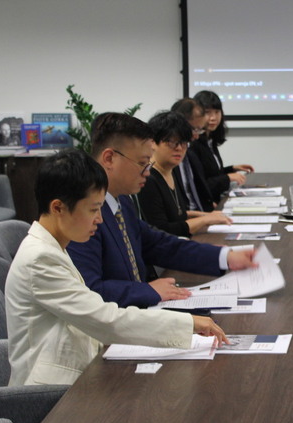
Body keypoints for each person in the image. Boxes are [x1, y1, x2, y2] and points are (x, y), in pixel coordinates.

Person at [6, 149, 228, 386]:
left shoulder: (53, 246)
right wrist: (188, 324)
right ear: (58, 208)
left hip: (79, 365)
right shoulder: (40, 259)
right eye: (93, 209)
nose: (99, 219)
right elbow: (103, 318)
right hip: (49, 389)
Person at [67, 113, 256, 309]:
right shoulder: (80, 212)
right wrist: (149, 290)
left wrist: (225, 257)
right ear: (109, 158)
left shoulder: (121, 200)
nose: (147, 172)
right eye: (142, 163)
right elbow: (88, 291)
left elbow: (161, 245)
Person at [138, 111, 230, 237]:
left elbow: (177, 214)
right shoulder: (147, 179)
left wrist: (206, 215)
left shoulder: (171, 170)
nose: (179, 148)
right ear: (153, 142)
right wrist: (204, 220)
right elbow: (161, 229)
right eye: (172, 142)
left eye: (183, 143)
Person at [189, 90, 255, 199]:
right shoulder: (194, 144)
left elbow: (212, 173)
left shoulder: (210, 141)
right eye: (208, 112)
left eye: (217, 112)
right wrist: (228, 177)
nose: (213, 117)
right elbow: (201, 184)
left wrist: (232, 168)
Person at [170, 98, 216, 212]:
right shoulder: (167, 159)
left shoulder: (190, 154)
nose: (196, 136)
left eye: (200, 130)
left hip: (200, 216)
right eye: (195, 129)